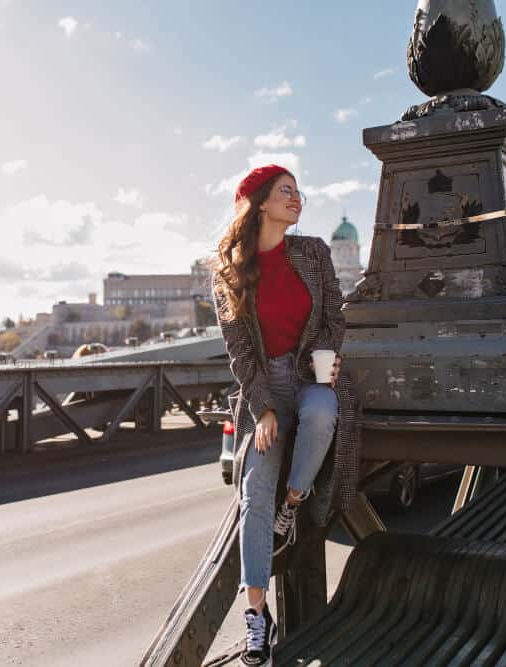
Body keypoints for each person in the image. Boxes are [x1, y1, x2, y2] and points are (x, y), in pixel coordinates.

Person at [211, 164, 361, 666]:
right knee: (254, 495)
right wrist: (264, 409)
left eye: (298, 191)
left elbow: (334, 314)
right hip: (266, 387)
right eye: (286, 191)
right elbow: (239, 354)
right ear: (259, 204)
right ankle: (256, 614)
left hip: (311, 378)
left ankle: (293, 502)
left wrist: (328, 355)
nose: (297, 198)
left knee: (322, 415)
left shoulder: (313, 252)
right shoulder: (229, 271)